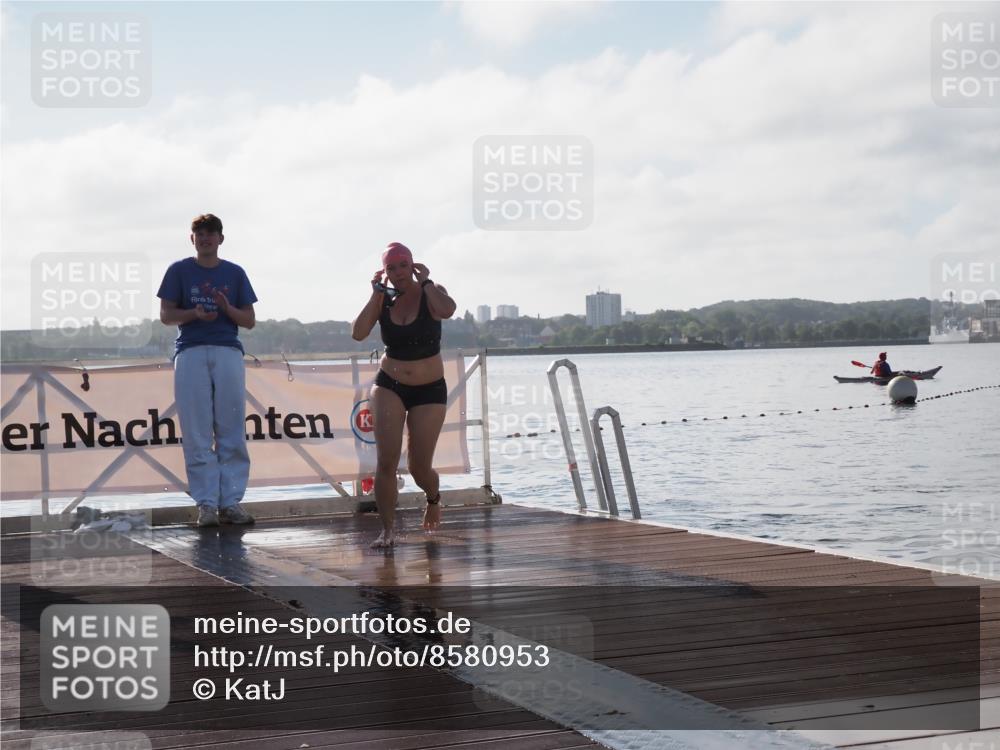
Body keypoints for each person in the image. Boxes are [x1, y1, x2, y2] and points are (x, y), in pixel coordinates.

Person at [351, 242, 457, 548]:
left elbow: (448, 311)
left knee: (418, 466)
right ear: (385, 271)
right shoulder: (384, 299)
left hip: (429, 388)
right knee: (386, 461)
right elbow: (358, 333)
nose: (397, 272)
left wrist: (425, 282)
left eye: (402, 265)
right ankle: (387, 531)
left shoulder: (431, 290)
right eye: (391, 267)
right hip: (390, 384)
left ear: (413, 265)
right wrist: (375, 294)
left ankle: (433, 498)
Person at [157, 213, 258, 527]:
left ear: (220, 239)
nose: (205, 238)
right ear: (192, 239)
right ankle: (207, 505)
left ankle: (231, 503)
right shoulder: (178, 271)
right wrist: (194, 313)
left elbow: (249, 320)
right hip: (191, 351)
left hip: (227, 351)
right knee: (197, 431)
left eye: (211, 233)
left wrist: (227, 309)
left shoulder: (235, 273)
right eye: (200, 234)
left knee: (231, 430)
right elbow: (166, 314)